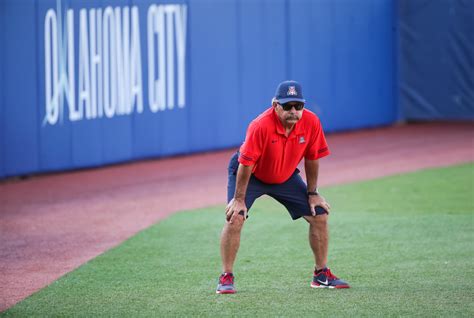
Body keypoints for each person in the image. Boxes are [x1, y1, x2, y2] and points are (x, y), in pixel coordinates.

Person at [216, 80, 350, 294]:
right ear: (275, 104)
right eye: (287, 106)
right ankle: (226, 276)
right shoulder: (260, 125)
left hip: (284, 175)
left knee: (320, 214)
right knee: (235, 217)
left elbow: (312, 158)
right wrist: (239, 199)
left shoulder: (311, 122)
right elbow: (246, 163)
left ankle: (321, 274)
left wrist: (313, 193)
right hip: (251, 174)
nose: (293, 111)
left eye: (298, 106)